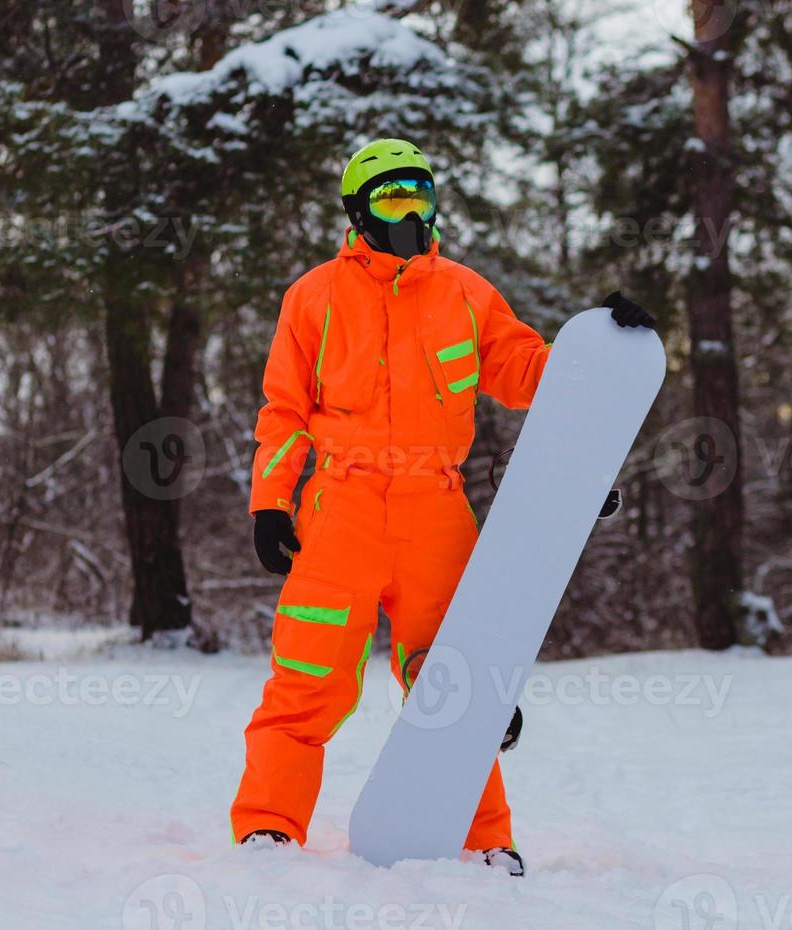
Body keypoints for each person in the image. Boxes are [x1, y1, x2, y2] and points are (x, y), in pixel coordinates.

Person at [230, 137, 655, 876]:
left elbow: (527, 371)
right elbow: (283, 410)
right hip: (343, 508)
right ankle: (269, 826)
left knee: (460, 683)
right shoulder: (314, 296)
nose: (410, 213)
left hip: (438, 510)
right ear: (357, 210)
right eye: (393, 199)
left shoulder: (464, 291)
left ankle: (485, 839)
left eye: (420, 196)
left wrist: (599, 349)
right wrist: (271, 502)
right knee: (307, 679)